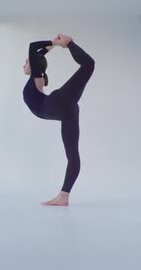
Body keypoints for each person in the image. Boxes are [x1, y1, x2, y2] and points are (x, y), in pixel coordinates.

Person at [22, 34, 95, 206]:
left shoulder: (36, 76)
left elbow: (33, 47)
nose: (24, 65)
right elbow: (38, 54)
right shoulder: (36, 76)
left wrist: (60, 43)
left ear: (33, 64)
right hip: (66, 111)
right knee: (72, 155)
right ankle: (64, 196)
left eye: (26, 62)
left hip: (57, 103)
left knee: (89, 65)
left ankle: (70, 42)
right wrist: (52, 46)